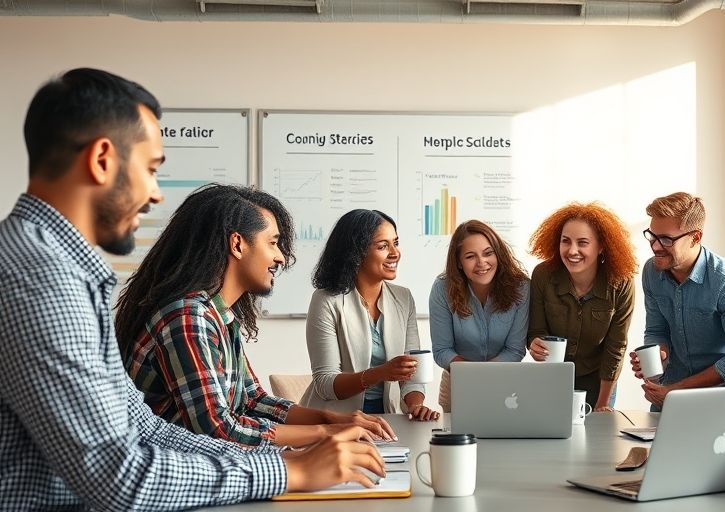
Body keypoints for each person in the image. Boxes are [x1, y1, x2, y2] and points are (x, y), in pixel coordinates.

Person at [0, 68, 383, 509]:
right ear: (102, 159)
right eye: (150, 169)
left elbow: (146, 428)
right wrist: (289, 470)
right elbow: (117, 477)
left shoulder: (60, 270)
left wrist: (287, 460)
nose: (156, 194)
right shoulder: (39, 278)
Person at [115, 184, 397, 448]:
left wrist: (332, 419)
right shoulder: (188, 318)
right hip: (179, 472)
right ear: (237, 244)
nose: (280, 257)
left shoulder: (219, 316)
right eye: (272, 243)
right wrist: (325, 433)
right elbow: (218, 430)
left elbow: (252, 400)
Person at [303, 208, 440, 421]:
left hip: (386, 419)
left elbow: (411, 373)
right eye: (383, 246)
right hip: (335, 421)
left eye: (395, 243)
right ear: (356, 253)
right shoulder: (326, 300)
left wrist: (415, 406)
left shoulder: (403, 298)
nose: (395, 253)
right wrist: (381, 373)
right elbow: (325, 384)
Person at [628, 192, 725, 410]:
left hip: (718, 402)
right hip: (667, 396)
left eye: (666, 239)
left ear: (695, 237)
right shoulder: (651, 271)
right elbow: (657, 330)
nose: (655, 246)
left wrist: (676, 390)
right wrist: (658, 355)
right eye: (652, 236)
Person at [526, 202, 637, 411]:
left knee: (596, 431)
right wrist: (535, 344)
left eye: (583, 243)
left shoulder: (621, 283)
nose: (572, 250)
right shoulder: (543, 275)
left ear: (601, 246)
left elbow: (616, 347)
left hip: (600, 381)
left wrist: (603, 403)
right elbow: (536, 330)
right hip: (552, 379)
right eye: (565, 241)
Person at [429, 219, 530, 412]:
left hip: (505, 385)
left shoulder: (521, 287)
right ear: (459, 263)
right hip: (458, 384)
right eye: (470, 256)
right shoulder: (442, 288)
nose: (482, 262)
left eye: (488, 253)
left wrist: (483, 375)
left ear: (498, 254)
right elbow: (442, 350)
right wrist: (473, 375)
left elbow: (515, 349)